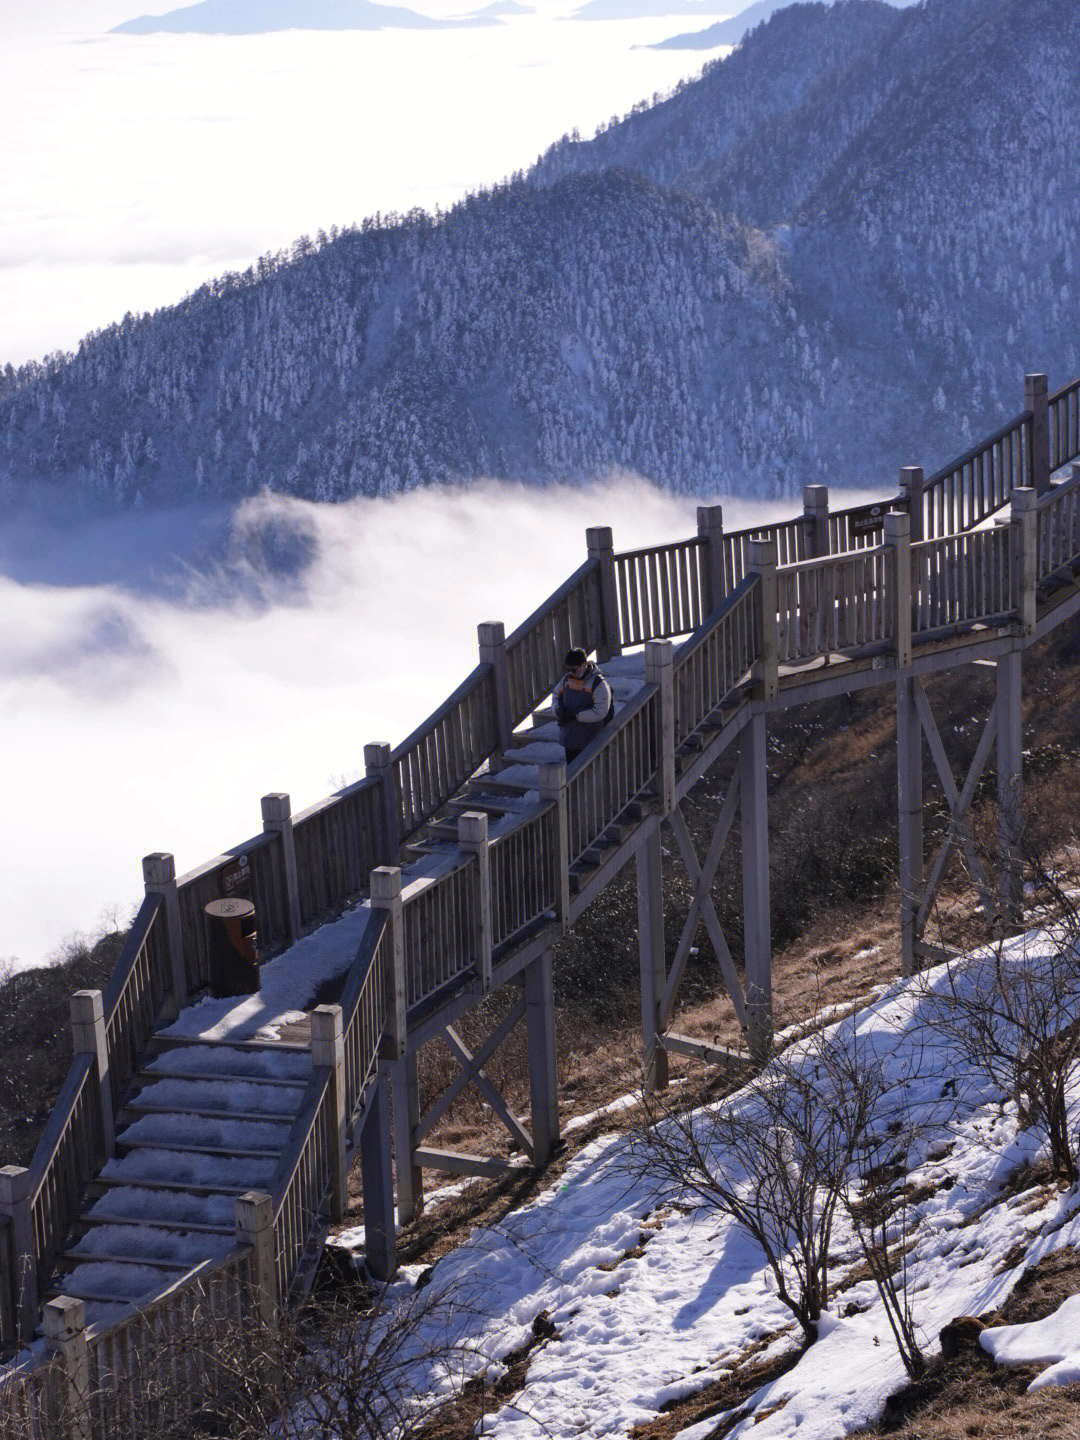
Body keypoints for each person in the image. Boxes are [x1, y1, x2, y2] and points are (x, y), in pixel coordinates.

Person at [552, 647, 614, 762]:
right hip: (570, 739)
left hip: (590, 740)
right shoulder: (566, 680)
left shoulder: (598, 684)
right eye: (568, 669)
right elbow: (556, 695)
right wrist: (558, 709)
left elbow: (600, 711)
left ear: (584, 664)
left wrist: (576, 716)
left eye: (574, 670)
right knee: (571, 772)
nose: (571, 673)